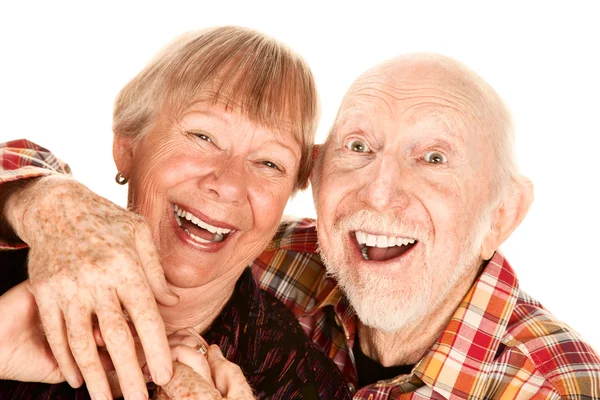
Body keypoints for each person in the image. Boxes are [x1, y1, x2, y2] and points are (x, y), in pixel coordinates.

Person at [2, 53, 600, 398]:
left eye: (435, 158)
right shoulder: (272, 249)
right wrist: (45, 199)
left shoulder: (549, 385)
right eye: (358, 147)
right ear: (314, 179)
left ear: (503, 214)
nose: (380, 192)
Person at [0, 26, 351, 400]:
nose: (230, 184)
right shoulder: (15, 283)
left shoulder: (305, 384)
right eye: (203, 136)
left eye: (269, 163)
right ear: (128, 146)